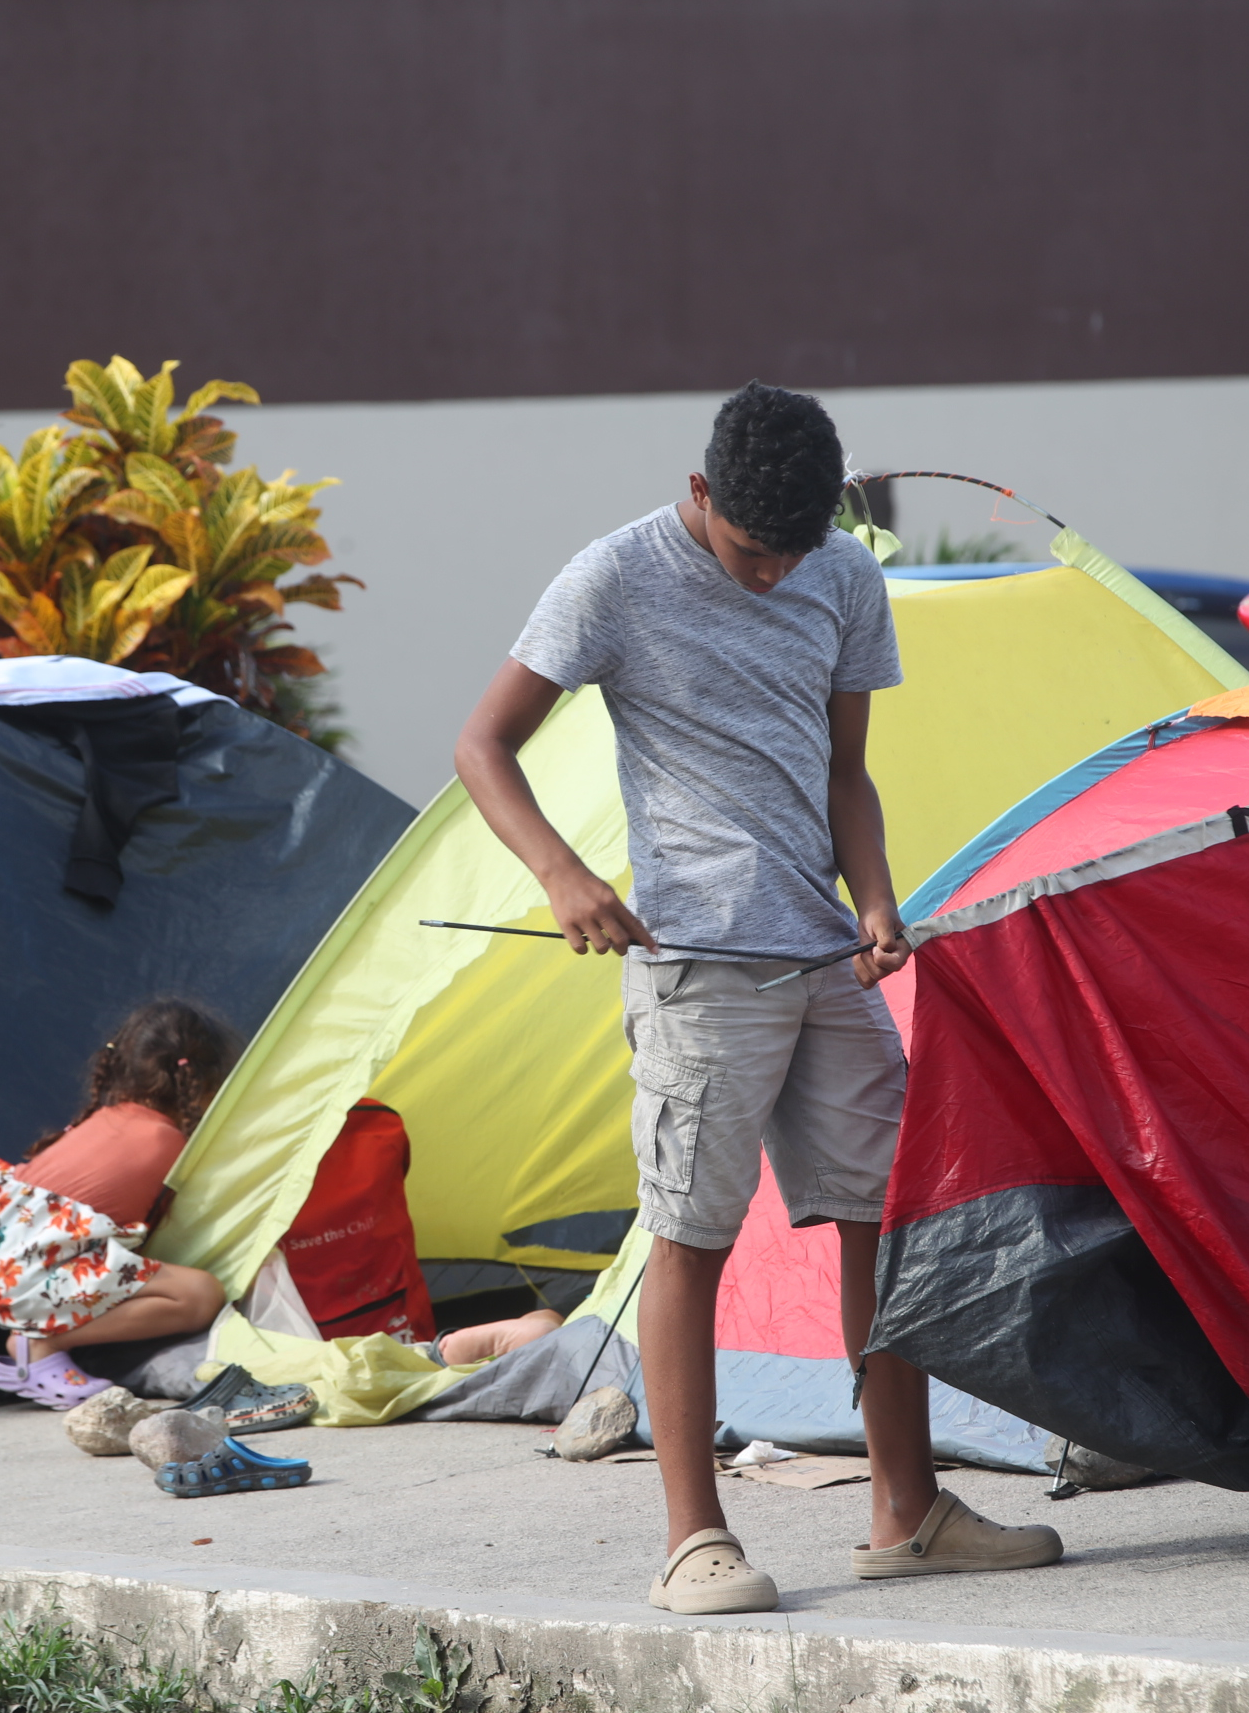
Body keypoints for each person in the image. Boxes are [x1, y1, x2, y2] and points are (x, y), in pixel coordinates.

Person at [454, 381, 1061, 1614]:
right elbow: (482, 746)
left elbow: (847, 772)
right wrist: (565, 877)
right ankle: (696, 1538)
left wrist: (876, 900)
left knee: (884, 1218)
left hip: (826, 960)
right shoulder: (613, 578)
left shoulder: (843, 571)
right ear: (699, 493)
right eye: (749, 553)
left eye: (794, 550)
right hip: (698, 972)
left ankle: (907, 1511)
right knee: (692, 1238)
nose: (775, 575)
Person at [0, 1000, 237, 1408]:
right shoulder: (164, 1142)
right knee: (200, 1294)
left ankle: (41, 1333)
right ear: (206, 1083)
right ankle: (41, 1343)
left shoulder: (109, 1116)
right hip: (24, 1276)